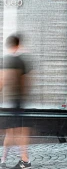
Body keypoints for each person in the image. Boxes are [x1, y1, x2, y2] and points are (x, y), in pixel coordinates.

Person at [0, 35, 31, 169]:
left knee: (15, 132)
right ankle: (6, 159)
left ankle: (24, 161)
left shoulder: (9, 61)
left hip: (12, 101)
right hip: (18, 101)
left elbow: (2, 81)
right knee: (15, 131)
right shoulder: (22, 60)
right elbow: (27, 81)